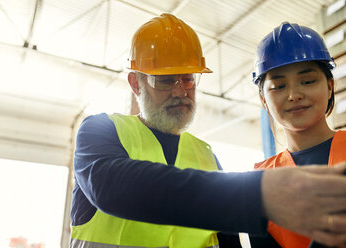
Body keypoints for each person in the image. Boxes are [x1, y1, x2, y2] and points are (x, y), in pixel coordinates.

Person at [70, 14, 346, 248]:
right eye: (165, 80)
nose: (180, 91)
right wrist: (259, 195)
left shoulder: (205, 156)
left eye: (188, 78)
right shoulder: (102, 131)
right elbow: (113, 185)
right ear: (135, 83)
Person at [251, 22, 346, 248]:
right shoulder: (260, 183)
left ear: (330, 86)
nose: (294, 95)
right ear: (263, 98)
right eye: (279, 86)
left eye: (308, 81)